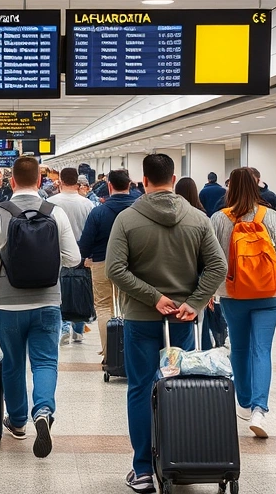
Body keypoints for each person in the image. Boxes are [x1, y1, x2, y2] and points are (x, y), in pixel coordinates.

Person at [105, 154, 227, 493]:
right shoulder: (198, 218)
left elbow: (114, 269)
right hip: (183, 322)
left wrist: (152, 297)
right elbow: (218, 267)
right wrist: (194, 302)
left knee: (142, 389)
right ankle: (180, 460)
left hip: (141, 319)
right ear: (174, 179)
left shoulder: (127, 219)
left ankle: (142, 470)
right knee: (178, 387)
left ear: (143, 181)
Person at [0, 156, 80, 458]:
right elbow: (73, 258)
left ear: (11, 182)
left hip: (8, 304)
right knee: (45, 361)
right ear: (40, 181)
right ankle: (43, 410)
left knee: (13, 362)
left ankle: (18, 422)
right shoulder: (54, 212)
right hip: (48, 302)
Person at [210, 168, 276, 440]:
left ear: (230, 188)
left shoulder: (219, 219)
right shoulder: (270, 216)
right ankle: (260, 409)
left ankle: (245, 402)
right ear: (257, 186)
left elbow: (212, 260)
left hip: (233, 294)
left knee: (238, 347)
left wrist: (210, 293)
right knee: (262, 350)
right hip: (267, 294)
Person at [77, 169, 136, 362]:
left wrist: (84, 258)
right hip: (133, 266)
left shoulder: (98, 212)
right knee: (130, 308)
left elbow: (85, 244)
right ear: (129, 185)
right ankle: (129, 353)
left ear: (109, 186)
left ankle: (109, 354)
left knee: (103, 307)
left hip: (102, 263)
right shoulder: (139, 211)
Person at [176, 176, 228, 350]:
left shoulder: (176, 217)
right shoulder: (202, 217)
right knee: (200, 322)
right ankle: (202, 353)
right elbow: (213, 259)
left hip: (179, 277)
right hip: (199, 277)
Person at [47, 167, 95, 344]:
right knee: (80, 290)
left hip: (56, 254)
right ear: (77, 182)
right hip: (82, 255)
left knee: (60, 291)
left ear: (60, 181)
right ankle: (79, 330)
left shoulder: (50, 203)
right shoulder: (88, 204)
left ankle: (64, 327)